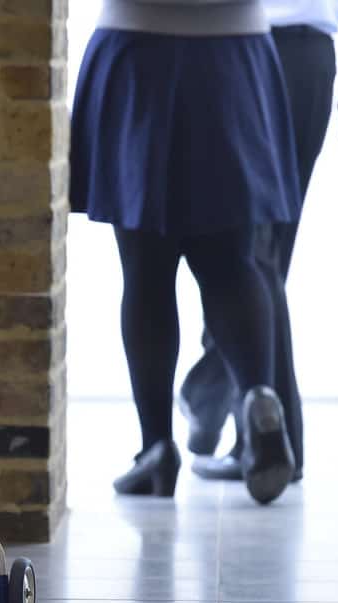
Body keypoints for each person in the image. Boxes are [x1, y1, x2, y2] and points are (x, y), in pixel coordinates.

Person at [70, 0, 301, 504]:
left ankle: (156, 447)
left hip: (137, 48)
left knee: (146, 274)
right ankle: (260, 396)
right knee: (232, 263)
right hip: (234, 53)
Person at [181, 0, 338, 482]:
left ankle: (257, 430)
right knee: (255, 252)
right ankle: (246, 418)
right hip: (300, 55)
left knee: (243, 252)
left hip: (221, 44)